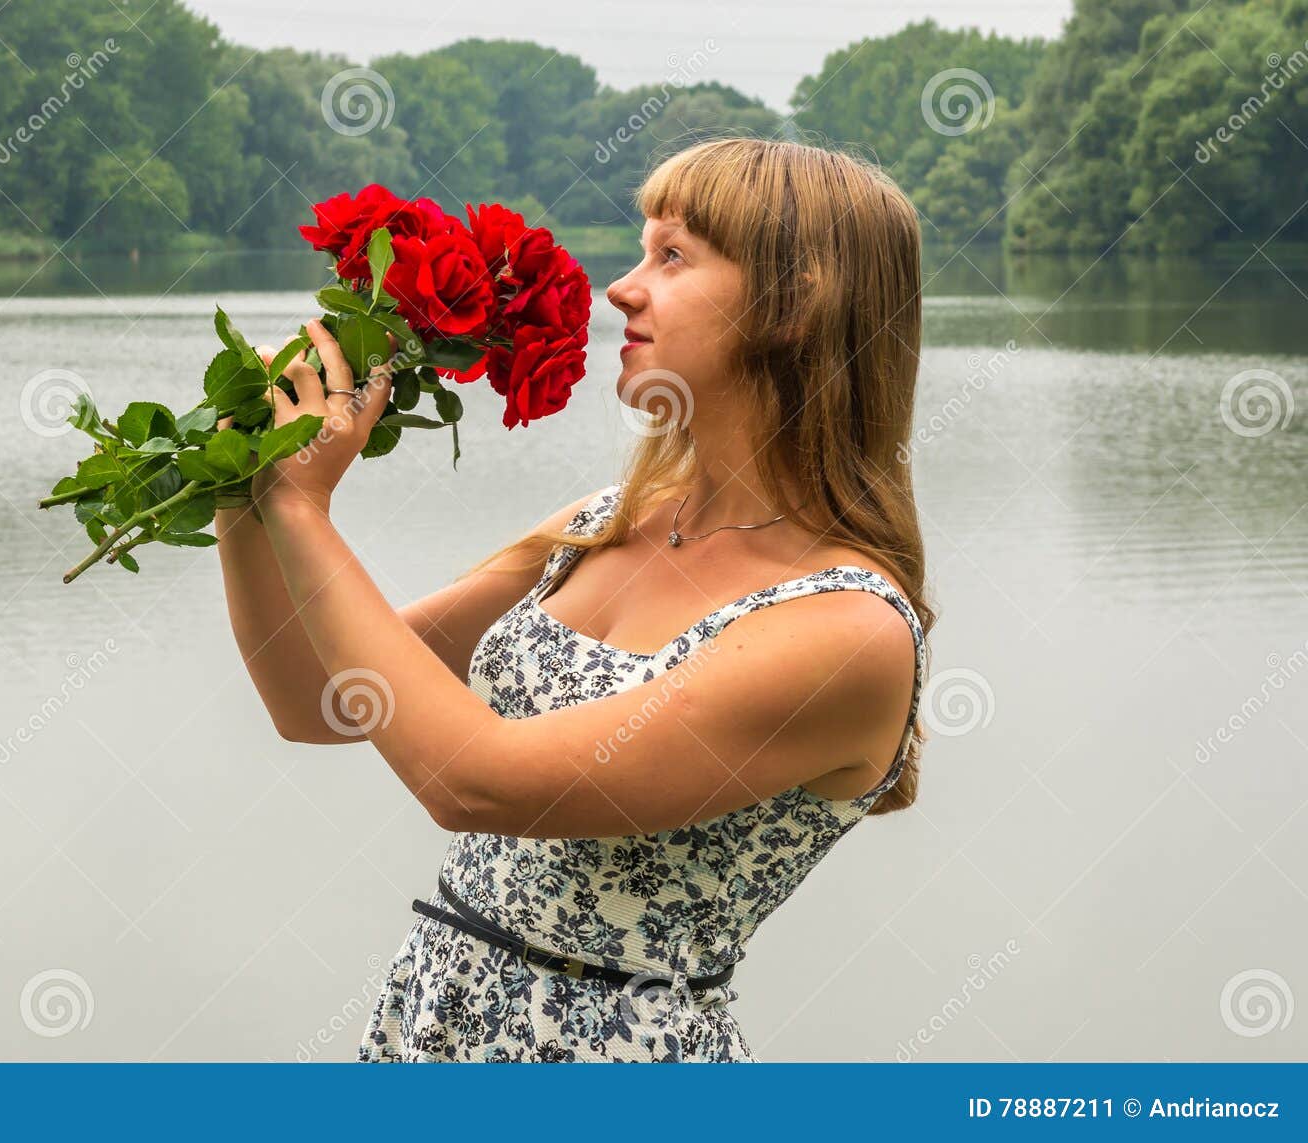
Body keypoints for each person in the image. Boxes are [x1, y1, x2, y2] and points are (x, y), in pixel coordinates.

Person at [215, 136, 937, 1061]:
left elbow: (473, 781)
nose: (621, 289)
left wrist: (302, 504)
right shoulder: (603, 524)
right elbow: (313, 701)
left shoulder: (845, 630)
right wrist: (249, 485)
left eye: (672, 256)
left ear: (795, 301)